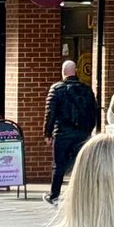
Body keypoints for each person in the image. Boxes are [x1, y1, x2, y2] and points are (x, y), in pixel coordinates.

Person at [44, 61, 101, 206]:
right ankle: (82, 195)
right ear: (75, 71)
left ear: (63, 72)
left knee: (59, 165)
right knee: (81, 164)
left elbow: (50, 113)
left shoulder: (56, 89)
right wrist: (88, 130)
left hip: (62, 133)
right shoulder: (86, 89)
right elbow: (94, 112)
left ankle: (54, 195)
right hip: (82, 133)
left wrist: (48, 133)